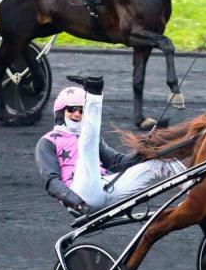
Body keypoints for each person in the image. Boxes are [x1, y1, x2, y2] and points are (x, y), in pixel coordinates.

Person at [36, 76, 185, 217]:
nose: (77, 114)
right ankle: (94, 95)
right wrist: (76, 203)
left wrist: (148, 147)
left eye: (82, 111)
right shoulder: (48, 142)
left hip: (108, 189)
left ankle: (197, 191)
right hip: (80, 195)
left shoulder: (92, 139)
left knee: (162, 160)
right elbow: (52, 182)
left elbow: (116, 163)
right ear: (61, 112)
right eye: (72, 109)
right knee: (87, 143)